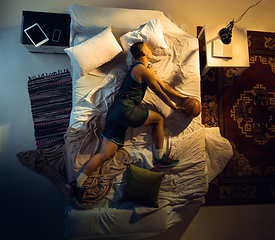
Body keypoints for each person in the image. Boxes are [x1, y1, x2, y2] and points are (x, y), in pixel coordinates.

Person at [66, 42, 188, 206]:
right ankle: (159, 157)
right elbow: (159, 91)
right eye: (149, 48)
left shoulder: (144, 70)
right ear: (143, 52)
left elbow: (163, 86)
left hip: (114, 113)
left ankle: (77, 183)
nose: (151, 50)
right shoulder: (141, 69)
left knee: (105, 154)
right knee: (158, 119)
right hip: (125, 109)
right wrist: (175, 108)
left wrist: (182, 98)